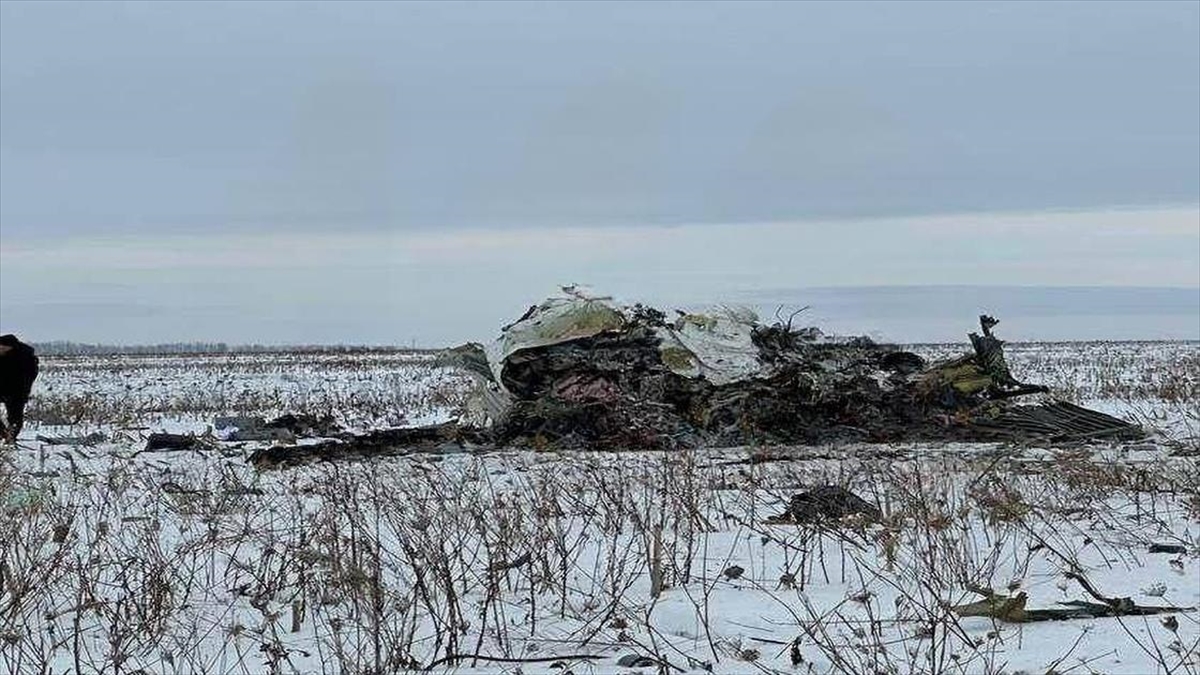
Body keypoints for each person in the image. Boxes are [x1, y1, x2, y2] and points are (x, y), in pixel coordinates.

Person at [0, 334, 39, 444]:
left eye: (2, 347)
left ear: (10, 346)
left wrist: (24, 389)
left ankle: (11, 437)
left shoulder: (25, 356)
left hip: (17, 390)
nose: (0, 349)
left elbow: (31, 375)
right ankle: (3, 434)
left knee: (15, 416)